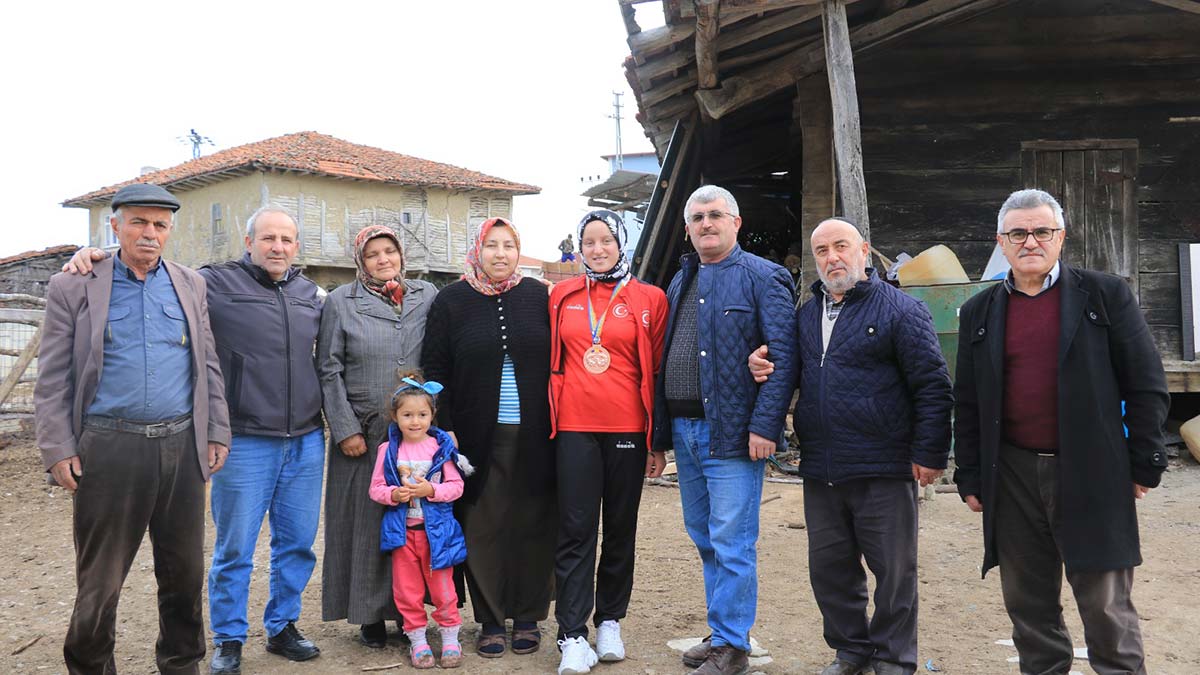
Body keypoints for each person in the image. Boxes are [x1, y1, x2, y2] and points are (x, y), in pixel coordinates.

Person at [63, 205, 327, 673]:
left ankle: (283, 625)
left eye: (286, 240)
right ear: (248, 242)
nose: (277, 247)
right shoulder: (212, 282)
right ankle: (229, 637)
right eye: (268, 238)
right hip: (246, 438)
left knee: (297, 544)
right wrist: (94, 253)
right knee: (235, 549)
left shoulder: (312, 294)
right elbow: (148, 264)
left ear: (297, 246)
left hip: (305, 438)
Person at [953, 189, 1169, 675]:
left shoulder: (1104, 295)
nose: (1030, 242)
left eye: (1041, 231)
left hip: (1093, 468)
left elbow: (1146, 384)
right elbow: (967, 400)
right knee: (1028, 602)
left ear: (1061, 237)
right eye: (1017, 233)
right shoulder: (980, 311)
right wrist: (970, 473)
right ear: (1001, 242)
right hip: (1012, 473)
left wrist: (1145, 461)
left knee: (1105, 604)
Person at [34, 183, 231, 674]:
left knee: (184, 574)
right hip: (108, 447)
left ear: (170, 230)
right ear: (115, 225)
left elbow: (207, 363)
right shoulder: (75, 284)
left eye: (160, 224)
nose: (149, 232)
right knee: (100, 581)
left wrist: (216, 430)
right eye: (138, 222)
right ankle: (91, 667)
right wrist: (57, 447)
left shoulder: (190, 283)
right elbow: (53, 376)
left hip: (181, 447)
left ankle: (181, 664)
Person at [750, 218, 953, 675]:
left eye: (841, 246)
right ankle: (851, 651)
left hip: (883, 466)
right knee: (830, 569)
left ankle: (893, 659)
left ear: (863, 250)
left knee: (894, 572)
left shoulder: (902, 311)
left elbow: (933, 387)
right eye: (822, 251)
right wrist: (758, 363)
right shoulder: (806, 316)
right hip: (822, 466)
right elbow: (783, 371)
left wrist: (929, 453)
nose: (832, 258)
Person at [653, 185, 797, 675]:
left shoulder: (764, 277)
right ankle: (722, 633)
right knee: (705, 537)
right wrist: (662, 437)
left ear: (736, 222)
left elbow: (783, 357)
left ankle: (733, 646)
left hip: (734, 433)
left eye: (715, 215)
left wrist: (766, 426)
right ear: (688, 229)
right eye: (697, 218)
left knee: (732, 541)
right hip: (686, 431)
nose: (706, 223)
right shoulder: (682, 278)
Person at [421, 217, 556, 659]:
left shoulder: (539, 296)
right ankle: (492, 620)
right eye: (492, 245)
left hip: (538, 433)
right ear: (477, 250)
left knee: (534, 521)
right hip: (476, 437)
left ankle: (529, 616)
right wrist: (446, 424)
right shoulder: (452, 301)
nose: (500, 254)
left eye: (509, 245)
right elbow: (436, 368)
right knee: (482, 525)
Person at [548, 209, 668, 675]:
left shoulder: (650, 298)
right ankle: (572, 634)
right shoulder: (561, 295)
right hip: (574, 427)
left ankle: (610, 621)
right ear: (579, 248)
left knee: (620, 528)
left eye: (606, 241)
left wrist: (656, 440)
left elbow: (655, 369)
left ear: (622, 244)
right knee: (576, 530)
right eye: (589, 242)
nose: (597, 250)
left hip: (627, 428)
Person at [318, 225, 439, 648]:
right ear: (360, 261)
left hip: (415, 430)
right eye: (373, 254)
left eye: (390, 251)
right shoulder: (341, 302)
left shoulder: (426, 295)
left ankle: (409, 614)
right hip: (363, 433)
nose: (383, 259)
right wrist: (344, 428)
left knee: (412, 523)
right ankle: (368, 613)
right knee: (365, 523)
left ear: (401, 254)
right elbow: (328, 368)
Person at [368, 373, 473, 670]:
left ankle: (450, 639)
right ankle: (418, 641)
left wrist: (431, 491)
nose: (415, 421)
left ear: (432, 415)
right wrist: (393, 495)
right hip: (403, 535)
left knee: (443, 589)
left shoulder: (441, 449)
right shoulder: (388, 451)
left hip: (437, 534)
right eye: (407, 415)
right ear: (395, 416)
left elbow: (456, 486)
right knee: (407, 591)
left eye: (422, 415)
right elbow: (376, 488)